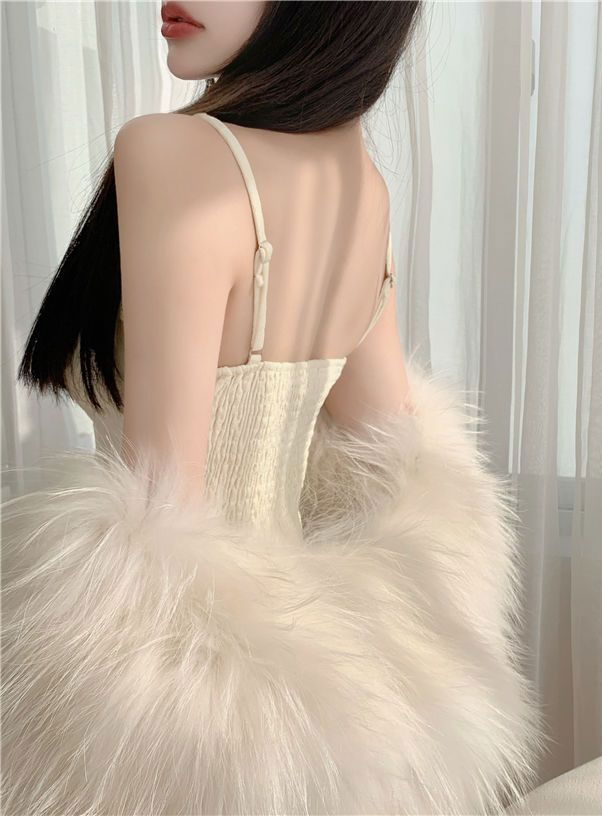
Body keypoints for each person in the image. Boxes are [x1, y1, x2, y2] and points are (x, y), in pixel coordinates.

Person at [1, 3, 543, 814]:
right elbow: (387, 454)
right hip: (321, 707)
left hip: (182, 701)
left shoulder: (171, 151)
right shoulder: (361, 188)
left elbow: (162, 504)